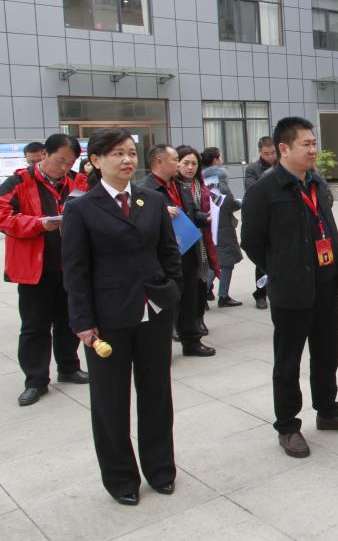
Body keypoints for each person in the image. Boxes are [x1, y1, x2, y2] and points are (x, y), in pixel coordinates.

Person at [62, 127, 183, 506]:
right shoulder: (81, 208)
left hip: (153, 314)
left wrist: (171, 292)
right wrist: (83, 321)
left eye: (131, 152)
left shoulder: (151, 200)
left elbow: (169, 252)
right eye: (117, 153)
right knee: (110, 403)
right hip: (107, 320)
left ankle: (160, 469)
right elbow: (75, 271)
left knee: (157, 396)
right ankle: (120, 478)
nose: (127, 159)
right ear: (96, 161)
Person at [241, 117, 338, 458]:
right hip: (291, 290)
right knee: (288, 361)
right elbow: (251, 242)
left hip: (326, 283)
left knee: (327, 353)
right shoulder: (263, 191)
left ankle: (328, 410)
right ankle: (287, 426)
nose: (313, 150)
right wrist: (280, 270)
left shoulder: (316, 182)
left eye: (314, 143)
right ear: (284, 148)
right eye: (306, 144)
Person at [0, 134, 90, 406]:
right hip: (35, 269)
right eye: (60, 161)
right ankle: (36, 380)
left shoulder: (78, 181)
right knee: (35, 327)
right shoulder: (19, 182)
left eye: (70, 163)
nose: (64, 168)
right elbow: (3, 216)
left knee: (69, 321)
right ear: (44, 154)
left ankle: (69, 367)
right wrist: (38, 224)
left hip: (69, 266)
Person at [141, 145, 216, 357]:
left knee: (189, 300)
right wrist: (160, 212)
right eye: (175, 160)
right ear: (159, 162)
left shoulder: (180, 186)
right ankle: (161, 348)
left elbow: (191, 213)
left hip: (187, 250)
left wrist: (206, 218)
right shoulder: (144, 190)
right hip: (163, 256)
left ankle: (191, 342)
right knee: (164, 303)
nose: (179, 164)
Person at [176, 147, 221, 334]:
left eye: (194, 163)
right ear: (177, 164)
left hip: (202, 240)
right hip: (182, 242)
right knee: (184, 285)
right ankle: (180, 323)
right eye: (185, 163)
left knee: (201, 281)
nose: (190, 167)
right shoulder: (174, 186)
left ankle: (199, 318)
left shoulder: (202, 185)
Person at [201, 147, 243, 307]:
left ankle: (205, 293)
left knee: (215, 260)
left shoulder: (201, 178)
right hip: (222, 226)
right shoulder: (217, 178)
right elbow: (227, 202)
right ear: (215, 159)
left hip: (209, 223)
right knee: (225, 262)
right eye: (220, 157)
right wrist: (239, 203)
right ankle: (221, 295)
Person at [244, 136, 276, 309]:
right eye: (266, 153)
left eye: (273, 153)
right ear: (260, 152)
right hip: (262, 219)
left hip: (278, 218)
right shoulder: (252, 169)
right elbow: (253, 190)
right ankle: (260, 293)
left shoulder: (283, 166)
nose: (270, 157)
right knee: (262, 261)